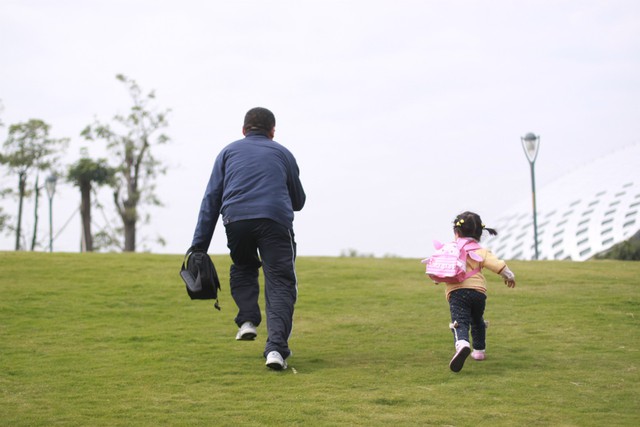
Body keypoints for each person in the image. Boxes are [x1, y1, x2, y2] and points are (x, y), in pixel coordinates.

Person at [189, 107, 306, 371]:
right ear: (272, 132)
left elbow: (211, 199)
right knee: (280, 283)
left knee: (243, 266)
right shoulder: (284, 153)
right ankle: (275, 349)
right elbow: (298, 201)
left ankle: (247, 322)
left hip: (236, 219)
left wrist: (199, 246)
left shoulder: (227, 152)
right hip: (275, 221)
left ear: (243, 130)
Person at [436, 211, 516, 372]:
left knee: (460, 321)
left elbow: (439, 266)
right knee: (477, 319)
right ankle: (479, 351)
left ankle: (462, 344)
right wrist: (509, 276)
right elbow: (497, 264)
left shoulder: (450, 249)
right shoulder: (481, 251)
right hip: (478, 293)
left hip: (457, 292)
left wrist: (437, 279)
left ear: (456, 232)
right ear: (480, 233)